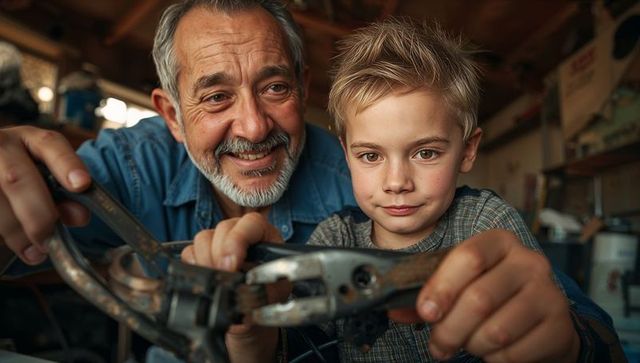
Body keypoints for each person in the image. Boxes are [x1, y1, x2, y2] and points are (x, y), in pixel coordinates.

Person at [0, 1, 621, 362]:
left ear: (301, 90)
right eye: (215, 96)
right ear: (170, 115)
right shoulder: (125, 169)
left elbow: (564, 310)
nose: (252, 123)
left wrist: (568, 343)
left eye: (274, 87)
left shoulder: (363, 192)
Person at [183, 18, 626, 362]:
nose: (397, 182)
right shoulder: (335, 239)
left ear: (468, 150)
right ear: (347, 153)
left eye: (426, 153)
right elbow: (299, 347)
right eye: (371, 156)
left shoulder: (486, 225)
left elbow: (561, 324)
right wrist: (251, 324)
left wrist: (568, 345)